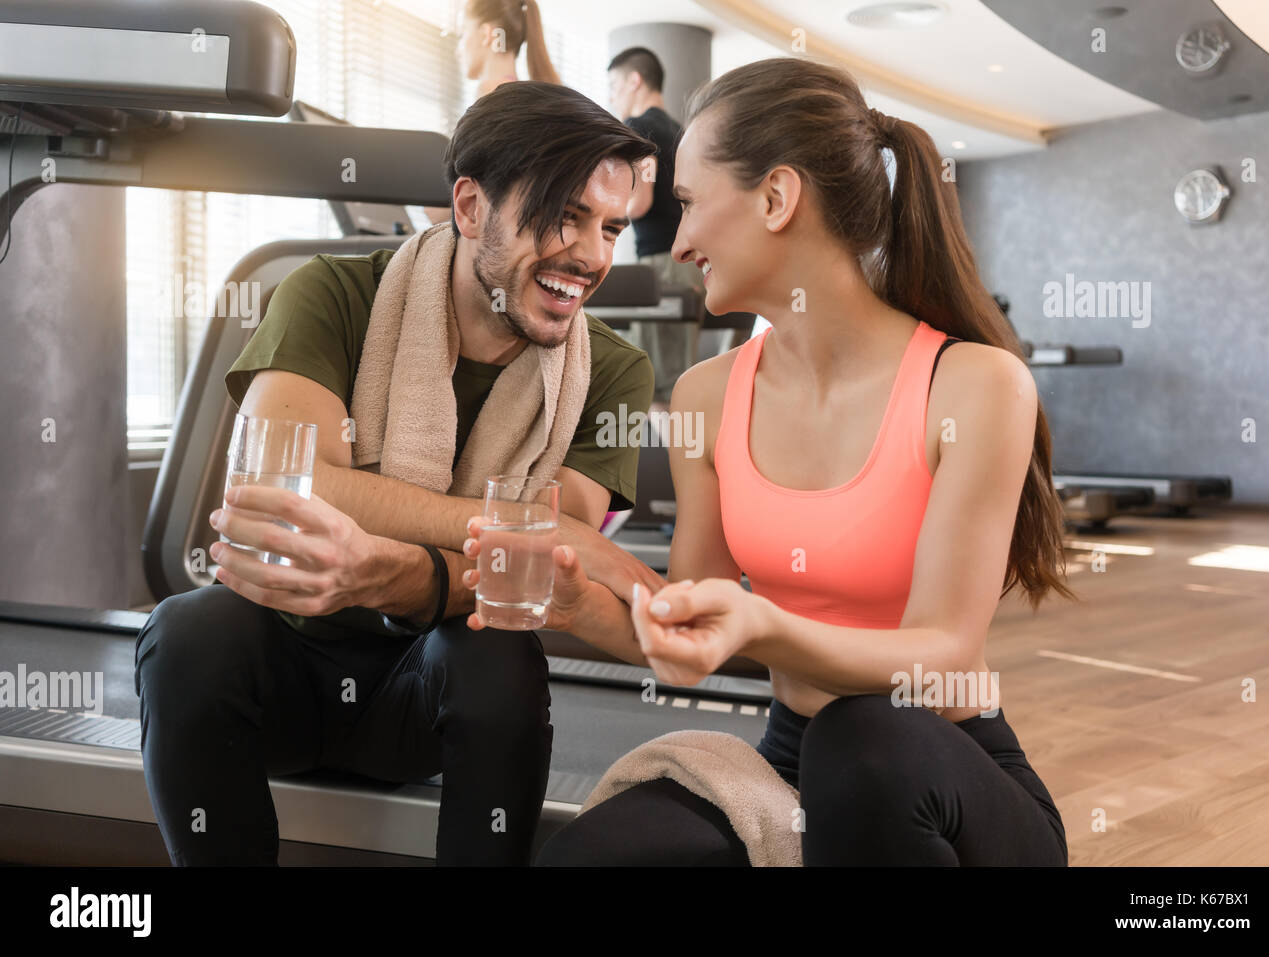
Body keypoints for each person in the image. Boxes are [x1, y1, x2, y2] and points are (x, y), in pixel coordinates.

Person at [501, 57, 1078, 865]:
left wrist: (767, 620)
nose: (683, 243)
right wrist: (582, 609)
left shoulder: (976, 385)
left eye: (691, 204)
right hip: (792, 756)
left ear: (776, 198)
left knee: (862, 739)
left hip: (942, 771)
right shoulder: (706, 395)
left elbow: (942, 650)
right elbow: (696, 619)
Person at [134, 81, 662, 866]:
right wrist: (531, 522)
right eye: (562, 215)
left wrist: (399, 573)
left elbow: (531, 577)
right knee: (188, 629)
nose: (590, 256)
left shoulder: (613, 372)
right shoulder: (330, 295)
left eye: (609, 227)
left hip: (432, 688)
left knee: (497, 651)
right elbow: (290, 488)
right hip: (280, 672)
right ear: (472, 206)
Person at [607, 46, 703, 405]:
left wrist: (600, 218)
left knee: (660, 386)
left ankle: (675, 459)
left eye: (614, 85)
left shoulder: (639, 126)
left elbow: (641, 200)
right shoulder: (680, 131)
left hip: (663, 267)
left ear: (635, 80)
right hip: (687, 265)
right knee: (674, 378)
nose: (613, 95)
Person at [425, 0, 562, 225]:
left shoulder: (490, 97)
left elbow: (481, 193)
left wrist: (437, 204)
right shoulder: (528, 100)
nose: (458, 50)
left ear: (487, 34)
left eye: (463, 35)